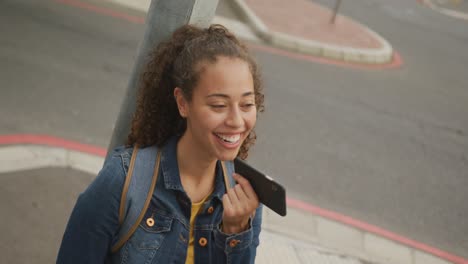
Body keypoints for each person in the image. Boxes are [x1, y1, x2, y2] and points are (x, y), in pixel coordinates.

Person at [56, 24, 265, 264]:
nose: (237, 121)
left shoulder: (244, 198)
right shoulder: (122, 180)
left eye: (247, 105)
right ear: (183, 103)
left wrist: (236, 231)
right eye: (218, 105)